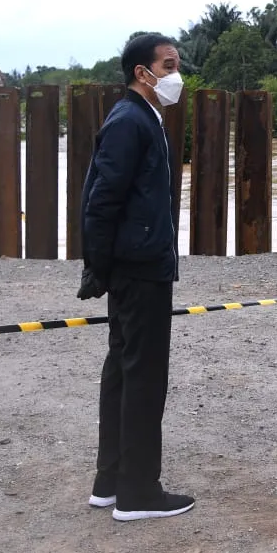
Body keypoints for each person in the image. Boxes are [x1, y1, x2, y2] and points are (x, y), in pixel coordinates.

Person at [76, 32, 193, 522]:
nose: (176, 74)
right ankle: (138, 492)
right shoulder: (131, 120)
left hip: (137, 262)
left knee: (124, 370)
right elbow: (101, 200)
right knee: (143, 376)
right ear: (141, 73)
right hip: (138, 268)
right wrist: (98, 267)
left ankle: (112, 481)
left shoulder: (145, 118)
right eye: (167, 65)